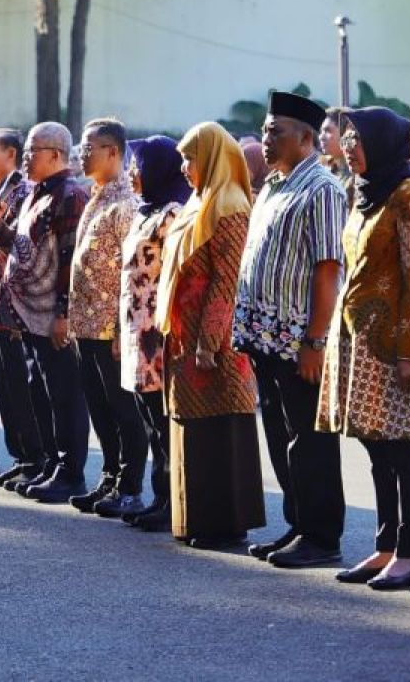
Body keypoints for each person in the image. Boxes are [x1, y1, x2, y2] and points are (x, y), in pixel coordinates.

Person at [235, 91, 347, 568]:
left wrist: (315, 341)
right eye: (265, 129)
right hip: (264, 338)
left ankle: (321, 537)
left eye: (275, 130)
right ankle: (298, 524)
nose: (266, 137)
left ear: (305, 139)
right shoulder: (276, 185)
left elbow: (327, 271)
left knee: (309, 439)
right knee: (283, 438)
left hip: (299, 341)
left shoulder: (321, 189)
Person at [317, 106, 410, 590]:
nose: (349, 146)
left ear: (381, 142)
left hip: (391, 346)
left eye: (358, 138)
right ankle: (384, 545)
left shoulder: (407, 195)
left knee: (404, 451)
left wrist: (407, 352)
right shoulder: (363, 194)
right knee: (375, 446)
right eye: (348, 138)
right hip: (357, 343)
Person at [157, 122, 264, 550]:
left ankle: (225, 524)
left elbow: (227, 280)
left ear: (213, 158)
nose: (185, 167)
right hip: (186, 334)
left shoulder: (231, 204)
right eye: (183, 158)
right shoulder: (198, 202)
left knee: (220, 428)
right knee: (192, 427)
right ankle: (195, 519)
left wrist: (209, 339)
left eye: (192, 158)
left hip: (212, 340)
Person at [0, 122, 90, 504]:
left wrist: (64, 313)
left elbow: (69, 259)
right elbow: (22, 250)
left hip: (52, 315)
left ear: (56, 155)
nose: (26, 158)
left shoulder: (69, 196)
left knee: (64, 395)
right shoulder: (35, 194)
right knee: (39, 391)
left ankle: (71, 473)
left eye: (32, 152)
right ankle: (49, 464)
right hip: (26, 313)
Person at [67, 117, 146, 517]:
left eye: (89, 147)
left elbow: (131, 272)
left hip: (109, 327)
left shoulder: (126, 202)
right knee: (99, 407)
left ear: (112, 151)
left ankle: (130, 487)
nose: (82, 154)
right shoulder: (96, 196)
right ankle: (110, 478)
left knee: (124, 411)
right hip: (85, 324)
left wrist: (121, 330)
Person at [118, 136, 192, 532]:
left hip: (157, 333)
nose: (132, 173)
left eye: (138, 165)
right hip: (135, 329)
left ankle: (170, 499)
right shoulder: (144, 209)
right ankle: (159, 496)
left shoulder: (172, 212)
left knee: (163, 421)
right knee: (148, 418)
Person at [0, 129, 49, 490]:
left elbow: (21, 249)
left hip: (16, 308)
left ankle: (36, 458)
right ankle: (21, 457)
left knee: (22, 388)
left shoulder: (22, 192)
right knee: (5, 386)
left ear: (11, 154)